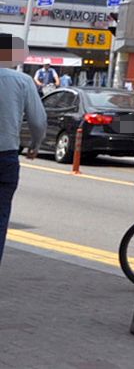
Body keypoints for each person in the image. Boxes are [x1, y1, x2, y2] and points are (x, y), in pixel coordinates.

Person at [0, 35, 49, 266]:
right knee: (1, 216)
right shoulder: (23, 81)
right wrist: (35, 145)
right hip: (6, 157)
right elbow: (38, 121)